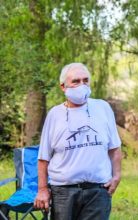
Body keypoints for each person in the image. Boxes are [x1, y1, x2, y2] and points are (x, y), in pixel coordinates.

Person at [34, 63, 122, 220]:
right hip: (63, 192)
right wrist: (42, 190)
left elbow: (115, 148)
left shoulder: (103, 108)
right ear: (63, 86)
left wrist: (117, 176)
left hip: (98, 191)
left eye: (85, 80)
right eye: (76, 81)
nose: (82, 85)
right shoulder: (55, 115)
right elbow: (43, 158)